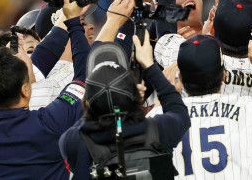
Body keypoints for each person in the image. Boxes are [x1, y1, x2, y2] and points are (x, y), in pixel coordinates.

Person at [0, 0, 89, 180]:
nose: (32, 62)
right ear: (26, 89)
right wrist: (73, 22)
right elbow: (84, 75)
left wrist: (2, 64)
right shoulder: (51, 121)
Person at [59, 30, 190, 179]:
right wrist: (149, 65)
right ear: (136, 96)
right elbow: (178, 110)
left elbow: (84, 125)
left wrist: (93, 103)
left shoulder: (75, 140)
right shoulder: (160, 128)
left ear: (87, 102)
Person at [171, 32, 252, 178]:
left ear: (180, 78)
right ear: (224, 75)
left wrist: (167, 93)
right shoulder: (250, 109)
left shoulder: (162, 117)